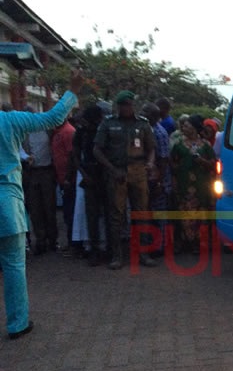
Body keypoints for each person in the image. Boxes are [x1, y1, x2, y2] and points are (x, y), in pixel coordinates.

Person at [0, 69, 83, 340]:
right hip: (7, 201)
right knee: (13, 263)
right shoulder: (10, 120)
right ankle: (17, 323)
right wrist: (72, 89)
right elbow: (53, 118)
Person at [93, 91, 158, 270]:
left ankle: (144, 253)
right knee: (116, 215)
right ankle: (116, 256)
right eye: (124, 104)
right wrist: (112, 170)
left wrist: (150, 163)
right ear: (119, 106)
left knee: (142, 213)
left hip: (138, 171)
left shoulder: (143, 124)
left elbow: (151, 148)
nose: (127, 107)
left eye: (130, 104)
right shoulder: (108, 124)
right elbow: (97, 150)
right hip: (117, 172)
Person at [170, 114, 216, 253]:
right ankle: (184, 242)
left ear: (195, 128)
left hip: (201, 186)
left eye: (187, 125)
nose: (184, 127)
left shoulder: (206, 145)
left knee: (200, 213)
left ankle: (198, 243)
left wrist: (202, 161)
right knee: (184, 212)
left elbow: (213, 164)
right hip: (184, 185)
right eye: (183, 125)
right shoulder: (178, 144)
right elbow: (172, 162)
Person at [72, 104, 111, 266]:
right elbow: (75, 156)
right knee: (92, 215)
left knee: (108, 214)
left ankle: (107, 248)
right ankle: (94, 249)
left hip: (105, 175)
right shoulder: (81, 133)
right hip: (89, 175)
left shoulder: (104, 131)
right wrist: (84, 174)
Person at [22, 110, 59, 255]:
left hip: (47, 171)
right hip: (31, 173)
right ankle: (41, 240)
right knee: (35, 209)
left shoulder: (48, 130)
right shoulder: (24, 133)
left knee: (49, 207)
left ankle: (53, 240)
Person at [140, 102, 171, 255]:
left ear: (154, 116)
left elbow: (164, 160)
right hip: (147, 178)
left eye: (145, 111)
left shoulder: (160, 133)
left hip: (158, 180)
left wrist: (160, 182)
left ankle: (161, 246)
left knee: (159, 214)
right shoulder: (146, 129)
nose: (142, 113)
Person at [50, 118, 77, 252]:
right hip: (61, 179)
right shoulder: (56, 132)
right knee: (67, 212)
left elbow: (72, 157)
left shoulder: (68, 132)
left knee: (70, 212)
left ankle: (74, 243)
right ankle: (71, 241)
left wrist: (68, 178)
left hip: (69, 180)